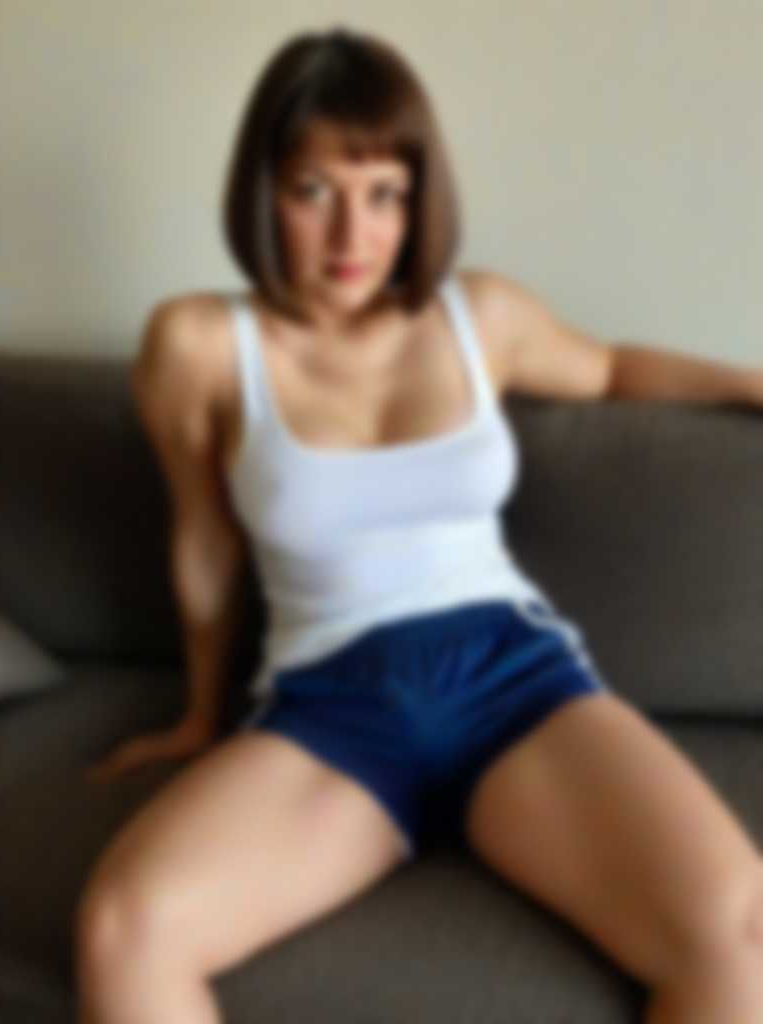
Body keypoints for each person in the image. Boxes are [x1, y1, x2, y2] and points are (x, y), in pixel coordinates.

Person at [74, 26, 763, 1024]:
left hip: (514, 680)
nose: (351, 235)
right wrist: (200, 715)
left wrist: (753, 382)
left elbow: (612, 368)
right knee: (124, 931)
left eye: (384, 194)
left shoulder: (481, 316)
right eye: (315, 191)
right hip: (331, 706)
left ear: (417, 199)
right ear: (264, 191)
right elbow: (205, 542)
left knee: (742, 934)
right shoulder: (199, 346)